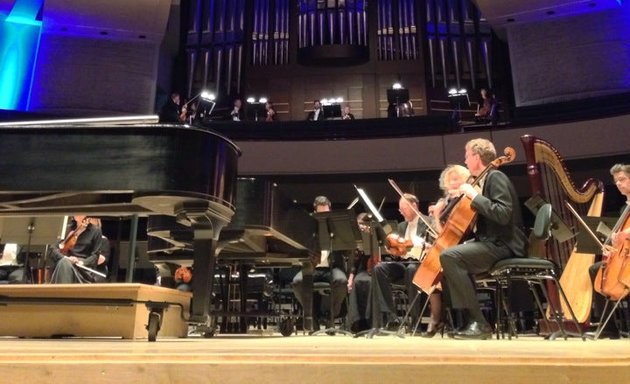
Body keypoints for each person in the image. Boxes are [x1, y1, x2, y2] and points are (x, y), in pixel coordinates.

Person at [439, 138, 527, 339]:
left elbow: (503, 214)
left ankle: (480, 323)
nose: (465, 159)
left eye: (467, 155)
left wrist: (474, 197)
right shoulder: (484, 181)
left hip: (504, 244)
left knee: (450, 257)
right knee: (448, 258)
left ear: (477, 157)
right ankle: (466, 321)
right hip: (492, 242)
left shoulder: (496, 177)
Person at [368, 193, 433, 330]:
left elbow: (432, 246)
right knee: (379, 268)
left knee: (411, 269)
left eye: (404, 208)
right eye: (400, 209)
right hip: (405, 264)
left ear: (414, 206)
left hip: (421, 265)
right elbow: (399, 252)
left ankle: (415, 322)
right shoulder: (402, 226)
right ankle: (392, 317)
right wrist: (393, 250)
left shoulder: (428, 222)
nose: (401, 212)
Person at [421, 164, 471, 337]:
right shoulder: (451, 202)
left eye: (456, 179)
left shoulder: (465, 201)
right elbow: (443, 234)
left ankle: (448, 319)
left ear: (465, 180)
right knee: (432, 274)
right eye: (449, 180)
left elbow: (453, 233)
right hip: (451, 247)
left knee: (441, 272)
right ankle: (440, 318)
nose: (451, 183)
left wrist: (436, 215)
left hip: (464, 247)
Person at [292, 196, 348, 330]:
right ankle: (312, 317)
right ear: (315, 212)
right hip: (312, 266)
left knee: (341, 281)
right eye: (320, 214)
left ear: (330, 211)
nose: (323, 217)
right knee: (297, 282)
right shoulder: (307, 227)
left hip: (332, 267)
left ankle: (330, 317)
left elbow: (347, 249)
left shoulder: (336, 226)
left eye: (326, 213)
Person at [588, 163, 630, 337]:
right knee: (596, 269)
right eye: (616, 181)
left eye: (622, 179)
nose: (619, 184)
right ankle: (609, 328)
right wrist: (612, 247)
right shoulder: (625, 208)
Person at [49, 216, 108, 284]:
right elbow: (52, 248)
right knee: (63, 263)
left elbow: (95, 255)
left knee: (63, 264)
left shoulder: (95, 231)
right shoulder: (68, 229)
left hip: (82, 269)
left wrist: (82, 262)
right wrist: (65, 258)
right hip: (65, 263)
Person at [346, 213, 373, 333]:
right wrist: (351, 278)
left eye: (362, 224)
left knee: (369, 282)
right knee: (357, 282)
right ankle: (357, 321)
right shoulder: (358, 240)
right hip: (363, 270)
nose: (360, 228)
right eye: (358, 225)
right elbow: (355, 262)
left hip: (376, 268)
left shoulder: (374, 235)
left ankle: (369, 321)